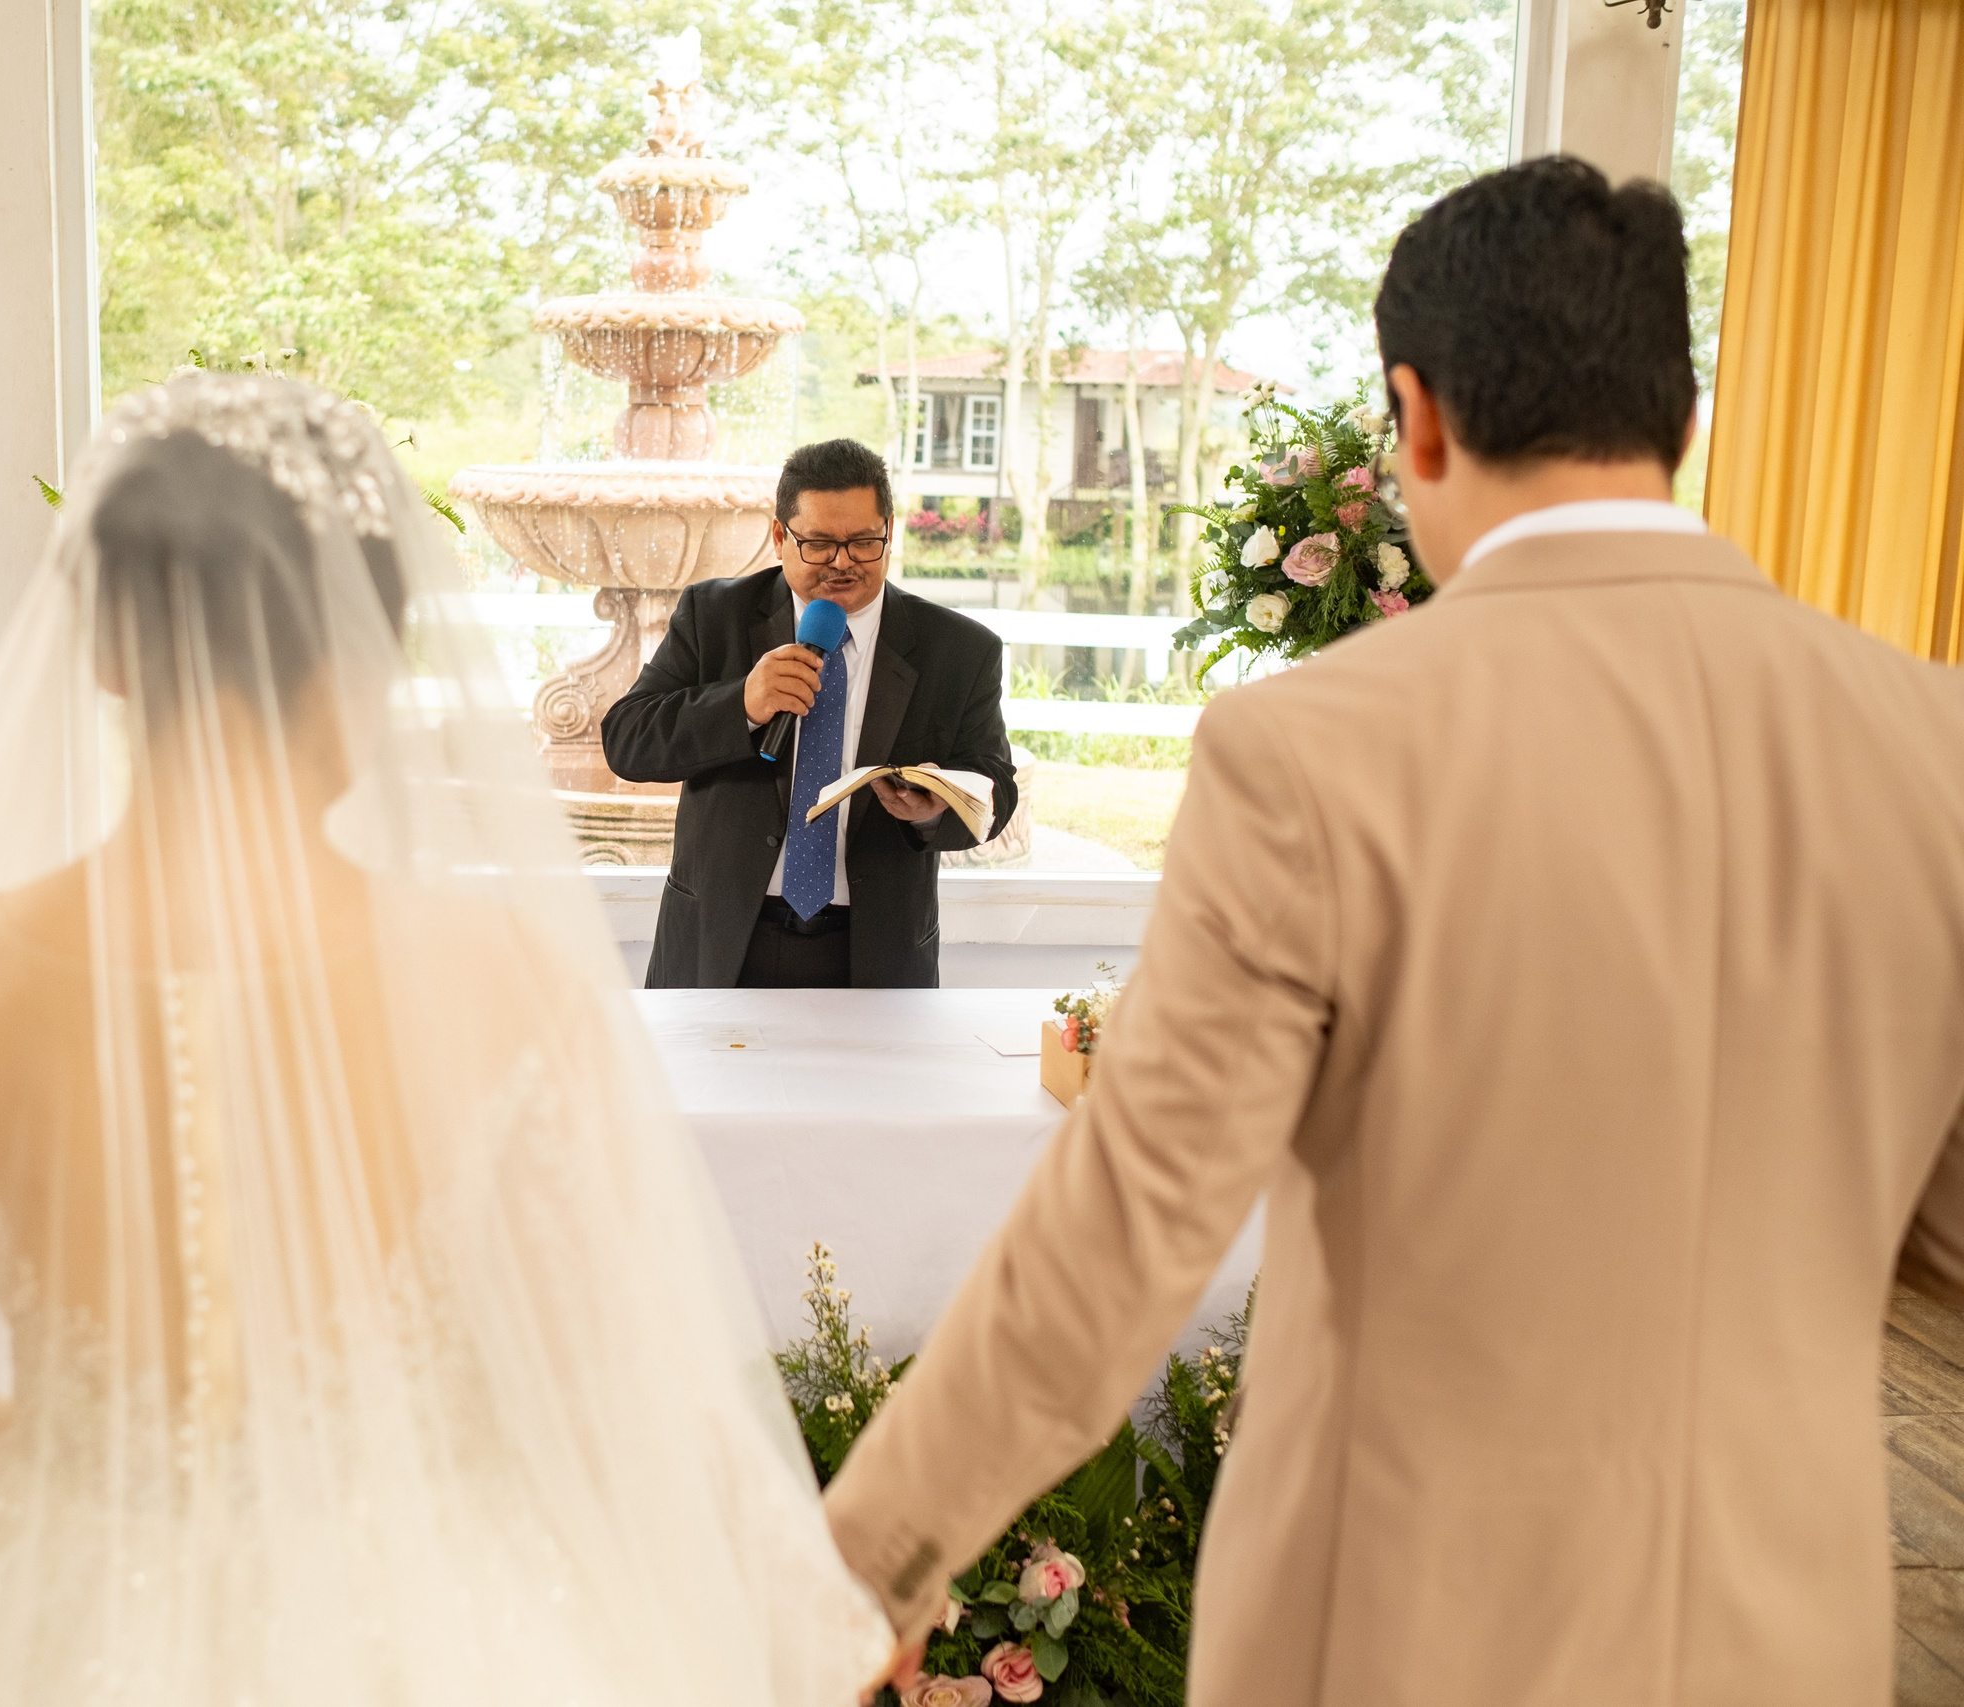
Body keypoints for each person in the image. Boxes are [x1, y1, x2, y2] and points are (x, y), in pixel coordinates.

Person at [820, 158, 1964, 1705]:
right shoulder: (1933, 742)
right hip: (1792, 1634)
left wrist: (868, 1556)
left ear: (1416, 413)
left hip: (1413, 1630)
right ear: (1681, 417)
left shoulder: (1318, 750)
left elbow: (1126, 1232)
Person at [0, 375, 890, 1705]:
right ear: (369, 646)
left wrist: (103, 1461)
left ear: (99, 644)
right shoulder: (500, 980)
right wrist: (817, 1590)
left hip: (46, 1631)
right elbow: (609, 1401)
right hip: (431, 1624)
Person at [601, 439, 1016, 988]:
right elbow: (627, 742)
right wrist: (743, 704)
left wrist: (933, 810)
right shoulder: (713, 615)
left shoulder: (960, 650)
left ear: (889, 531)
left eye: (864, 542)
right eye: (819, 543)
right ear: (780, 536)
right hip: (720, 940)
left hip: (874, 953)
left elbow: (996, 793)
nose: (843, 562)